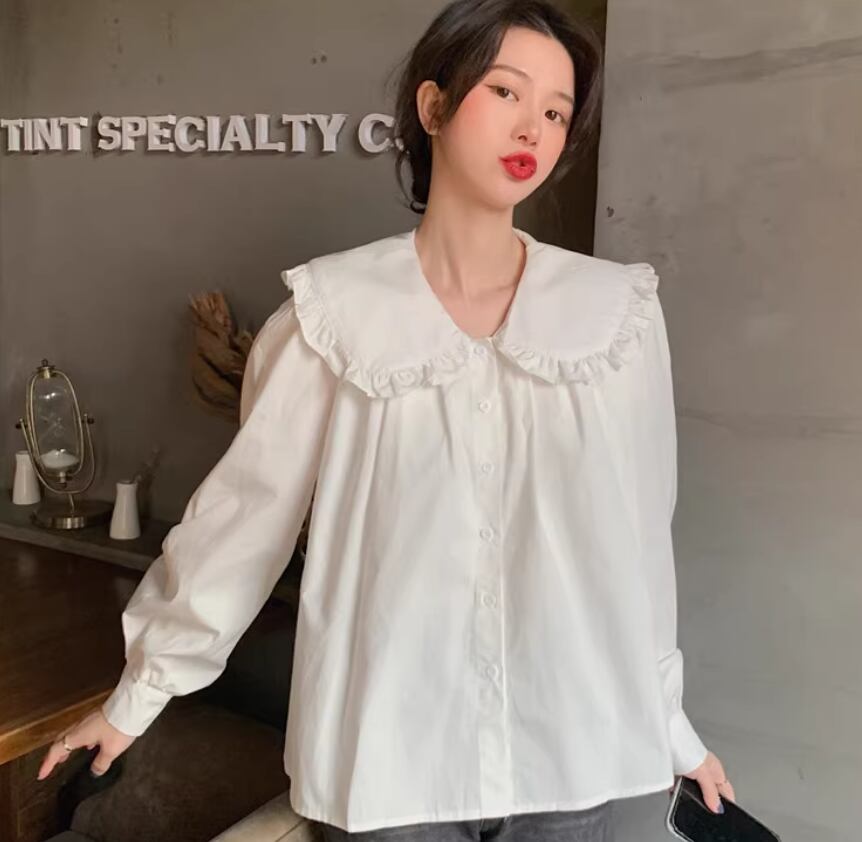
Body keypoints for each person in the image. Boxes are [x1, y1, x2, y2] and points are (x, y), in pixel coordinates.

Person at [38, 1, 736, 838]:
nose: (533, 127)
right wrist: (138, 697)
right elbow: (244, 522)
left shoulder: (617, 315)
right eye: (505, 92)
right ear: (432, 105)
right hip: (391, 761)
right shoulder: (328, 315)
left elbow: (639, 540)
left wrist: (670, 724)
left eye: (556, 112)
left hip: (580, 751)